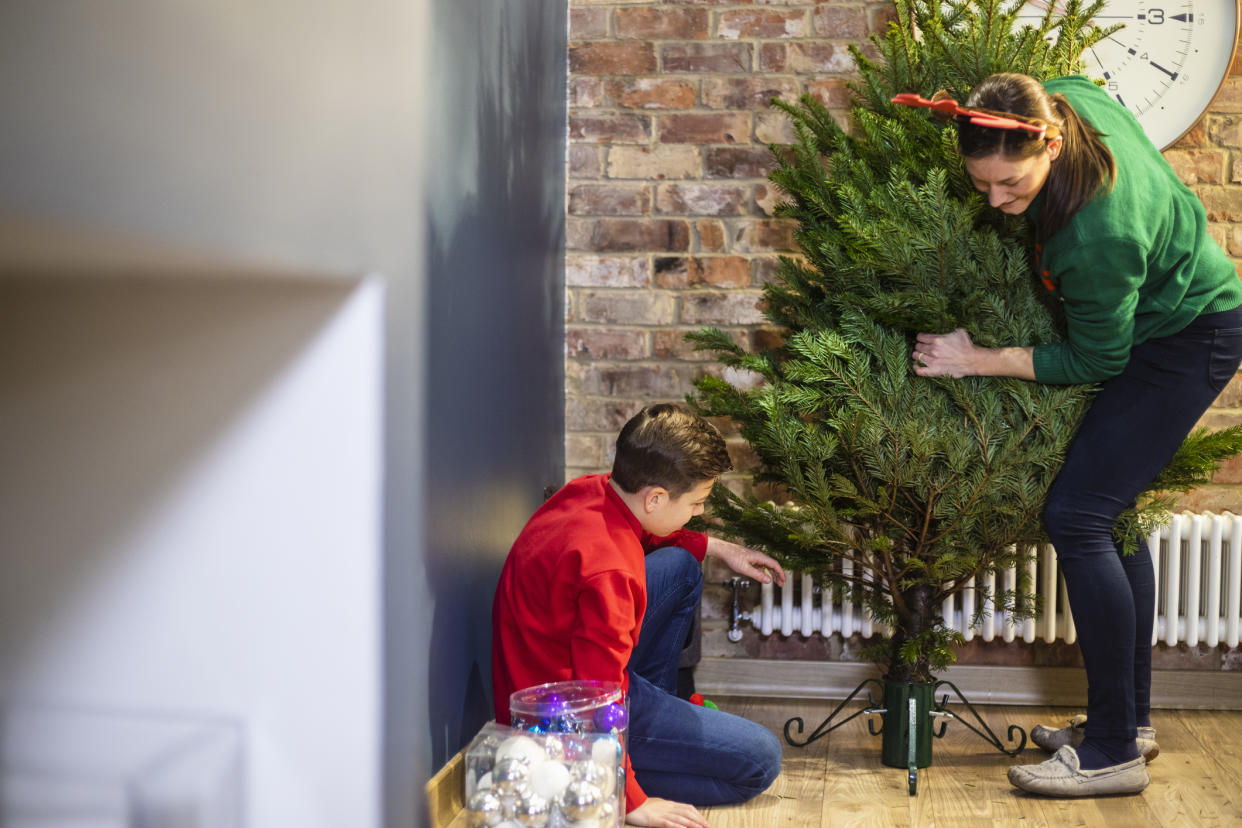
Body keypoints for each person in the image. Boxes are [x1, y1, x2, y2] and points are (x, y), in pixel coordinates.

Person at [905, 73, 1242, 796]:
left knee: (1078, 515)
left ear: (1050, 144)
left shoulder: (1097, 232)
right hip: (1168, 319)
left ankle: (1113, 750)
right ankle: (1129, 723)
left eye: (1010, 184)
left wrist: (973, 359)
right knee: (1109, 513)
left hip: (1191, 338)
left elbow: (1096, 358)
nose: (995, 201)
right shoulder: (1062, 95)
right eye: (980, 182)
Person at [492, 404, 786, 827]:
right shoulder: (612, 571)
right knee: (760, 759)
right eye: (698, 502)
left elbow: (653, 529)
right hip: (563, 717)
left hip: (555, 667)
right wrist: (631, 802)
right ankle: (609, 774)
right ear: (655, 497)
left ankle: (656, 730)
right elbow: (600, 700)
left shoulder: (590, 491)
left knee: (682, 565)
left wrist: (720, 548)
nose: (699, 512)